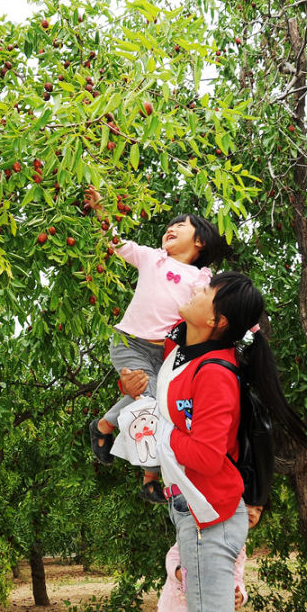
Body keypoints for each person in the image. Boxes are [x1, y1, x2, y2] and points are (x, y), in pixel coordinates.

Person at [156, 271, 307, 612]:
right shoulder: (185, 355)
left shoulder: (214, 373)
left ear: (216, 320)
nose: (197, 289)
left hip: (211, 519)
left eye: (207, 290)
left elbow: (208, 457)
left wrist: (160, 433)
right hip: (196, 512)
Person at [85, 189, 229, 503]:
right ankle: (138, 463)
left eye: (182, 225)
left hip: (165, 356)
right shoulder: (153, 258)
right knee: (150, 402)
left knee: (160, 409)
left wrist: (252, 323)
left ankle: (118, 440)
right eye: (170, 225)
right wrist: (101, 210)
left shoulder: (202, 279)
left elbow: (224, 304)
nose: (171, 228)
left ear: (200, 242)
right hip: (130, 343)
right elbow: (117, 242)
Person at [157, 504, 263, 612]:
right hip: (177, 605)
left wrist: (240, 595)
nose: (252, 513)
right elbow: (172, 557)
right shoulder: (202, 530)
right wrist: (181, 574)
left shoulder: (239, 547)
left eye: (258, 510)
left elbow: (236, 577)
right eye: (246, 506)